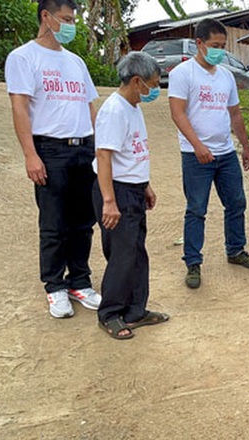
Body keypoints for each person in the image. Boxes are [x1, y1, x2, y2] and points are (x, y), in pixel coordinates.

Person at [5, 0, 102, 318]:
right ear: (46, 17)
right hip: (51, 150)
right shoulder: (23, 58)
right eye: (66, 18)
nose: (72, 24)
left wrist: (98, 149)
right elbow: (19, 108)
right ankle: (54, 287)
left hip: (83, 148)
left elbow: (90, 106)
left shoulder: (76, 62)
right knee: (54, 224)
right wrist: (31, 155)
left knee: (84, 222)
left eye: (74, 19)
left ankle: (80, 282)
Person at [168, 18, 249, 290]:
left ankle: (236, 250)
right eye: (214, 45)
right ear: (199, 43)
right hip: (196, 155)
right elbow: (177, 112)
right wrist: (198, 146)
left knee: (236, 203)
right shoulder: (183, 73)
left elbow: (234, 113)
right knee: (196, 209)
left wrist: (244, 145)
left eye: (223, 46)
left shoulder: (226, 75)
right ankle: (193, 262)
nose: (219, 50)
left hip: (225, 153)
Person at [92, 52, 169, 340]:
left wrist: (145, 185)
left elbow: (133, 152)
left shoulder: (133, 107)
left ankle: (136, 310)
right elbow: (103, 155)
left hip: (133, 189)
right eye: (151, 84)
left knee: (137, 252)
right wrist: (109, 201)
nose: (154, 90)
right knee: (121, 255)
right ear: (136, 81)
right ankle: (110, 313)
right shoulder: (115, 110)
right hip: (118, 191)